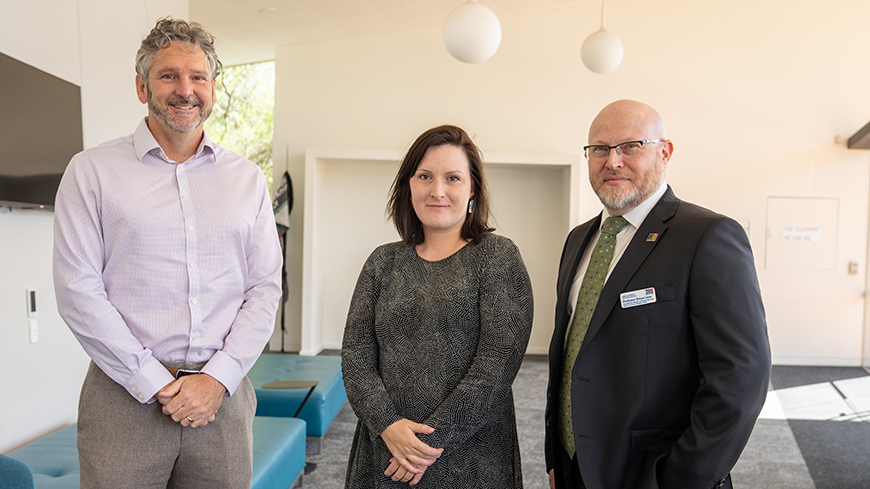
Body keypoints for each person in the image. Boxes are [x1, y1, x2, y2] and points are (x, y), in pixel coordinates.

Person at [53, 17, 282, 488]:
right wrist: (155, 382)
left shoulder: (246, 181)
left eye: (199, 77)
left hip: (223, 400)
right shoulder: (91, 172)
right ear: (142, 87)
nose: (186, 89)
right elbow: (78, 290)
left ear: (213, 89)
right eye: (168, 75)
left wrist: (215, 380)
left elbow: (263, 288)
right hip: (124, 399)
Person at [545, 100, 771, 489]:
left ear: (664, 152)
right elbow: (568, 355)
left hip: (654, 473)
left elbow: (741, 378)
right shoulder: (579, 239)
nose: (612, 161)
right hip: (575, 469)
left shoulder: (707, 236)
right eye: (599, 149)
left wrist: (680, 478)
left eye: (630, 146)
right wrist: (556, 457)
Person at [341, 125, 534, 488]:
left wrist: (423, 446)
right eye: (425, 176)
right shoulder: (382, 263)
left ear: (472, 188)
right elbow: (356, 355)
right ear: (408, 185)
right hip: (384, 451)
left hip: (470, 460)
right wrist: (388, 426)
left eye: (453, 178)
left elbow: (495, 367)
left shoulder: (498, 257)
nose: (437, 191)